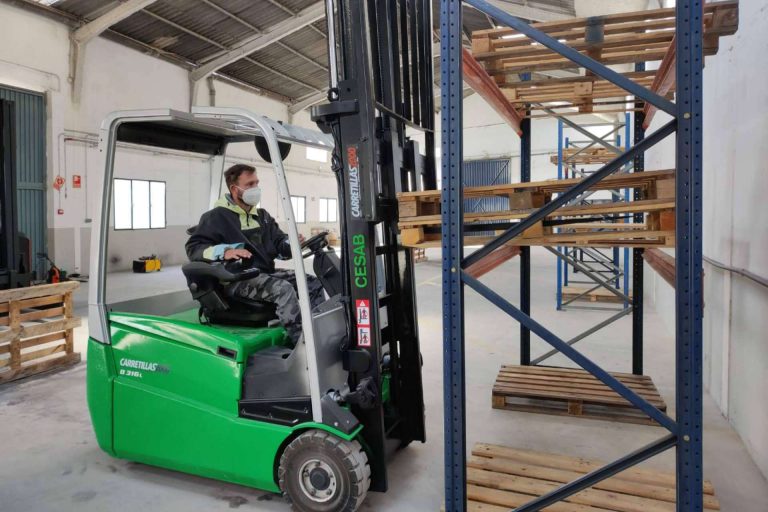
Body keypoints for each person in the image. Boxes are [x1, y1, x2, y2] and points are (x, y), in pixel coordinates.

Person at [186, 164, 324, 344]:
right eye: (250, 184)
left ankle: (319, 331)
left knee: (312, 282)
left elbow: (279, 244)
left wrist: (291, 242)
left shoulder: (262, 216)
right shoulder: (216, 217)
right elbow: (194, 247)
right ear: (235, 189)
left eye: (256, 183)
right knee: (283, 289)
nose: (256, 188)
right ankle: (301, 343)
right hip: (236, 279)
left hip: (264, 273)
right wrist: (225, 251)